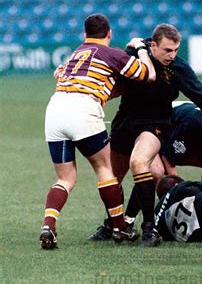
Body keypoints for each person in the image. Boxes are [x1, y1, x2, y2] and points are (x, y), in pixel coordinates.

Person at [91, 23, 202, 247]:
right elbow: (110, 77)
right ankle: (114, 225)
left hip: (156, 124)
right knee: (112, 180)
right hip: (125, 123)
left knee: (141, 164)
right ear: (153, 45)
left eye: (176, 50)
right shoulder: (133, 54)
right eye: (167, 50)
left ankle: (148, 228)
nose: (172, 55)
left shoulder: (178, 68)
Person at [40, 13, 156, 249]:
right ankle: (119, 227)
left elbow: (58, 74)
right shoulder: (112, 54)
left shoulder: (75, 54)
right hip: (83, 110)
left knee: (65, 178)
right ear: (109, 34)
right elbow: (148, 74)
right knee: (104, 170)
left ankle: (49, 225)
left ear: (85, 34)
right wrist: (142, 49)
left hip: (55, 109)